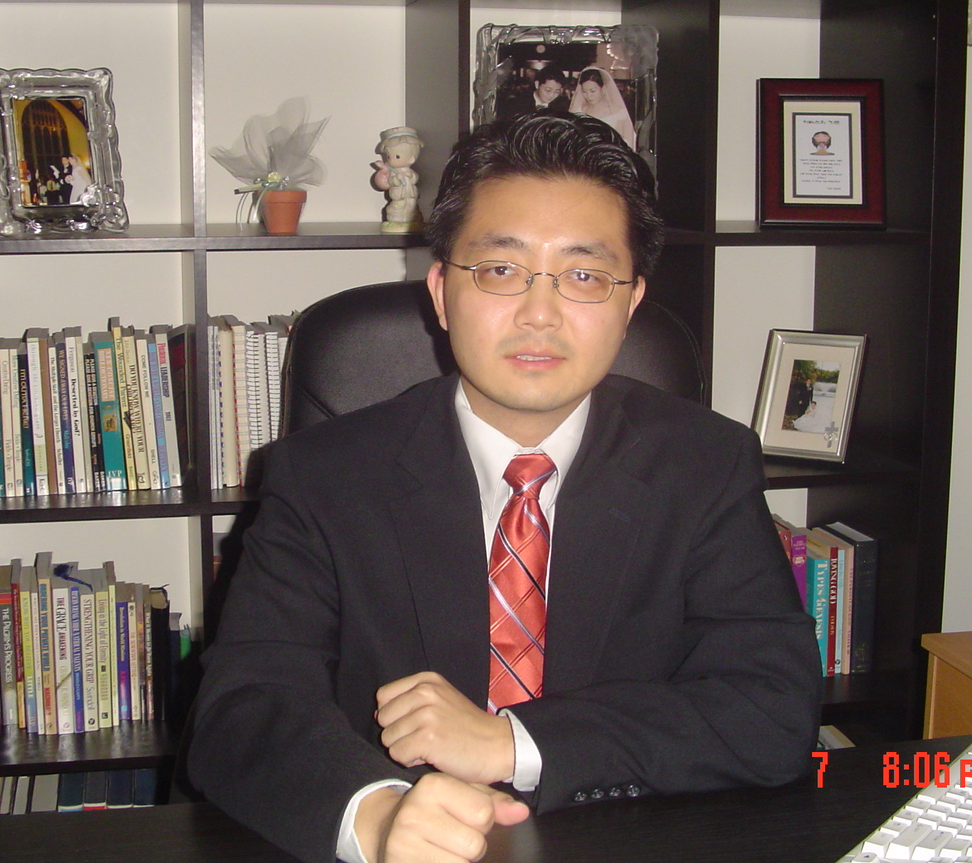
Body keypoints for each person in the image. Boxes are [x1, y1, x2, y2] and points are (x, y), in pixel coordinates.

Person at [189, 111, 822, 863]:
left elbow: (772, 708)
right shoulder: (323, 476)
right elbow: (243, 711)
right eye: (499, 270)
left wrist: (513, 743)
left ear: (630, 304)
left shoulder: (704, 464)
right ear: (440, 292)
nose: (539, 314)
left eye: (584, 276)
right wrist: (379, 818)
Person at [568, 66, 635, 148]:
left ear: (603, 89)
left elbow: (627, 141)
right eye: (584, 91)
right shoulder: (578, 111)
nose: (588, 96)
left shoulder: (618, 113)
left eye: (592, 91)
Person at [498, 64, 570, 121]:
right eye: (548, 90)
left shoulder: (562, 108)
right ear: (537, 84)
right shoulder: (517, 104)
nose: (552, 95)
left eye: (557, 91)